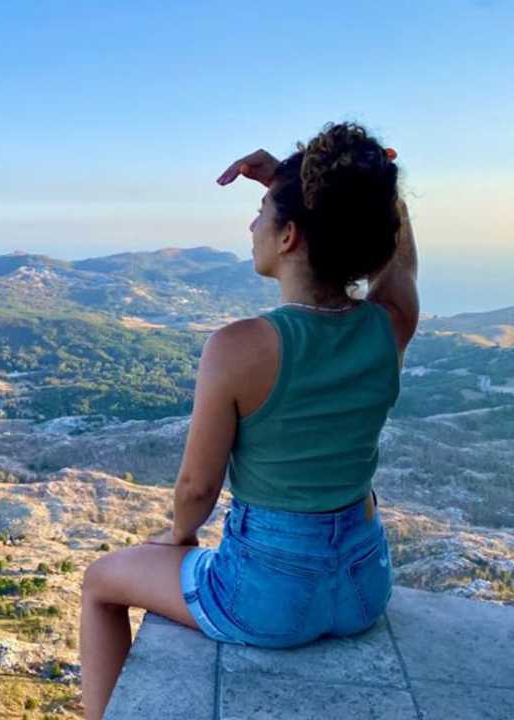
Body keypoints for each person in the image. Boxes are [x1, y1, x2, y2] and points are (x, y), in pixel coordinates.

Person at [79, 120, 419, 720]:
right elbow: (401, 264)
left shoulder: (237, 347)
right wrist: (358, 188)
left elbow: (197, 487)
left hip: (267, 599)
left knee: (100, 582)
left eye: (262, 213)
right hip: (364, 588)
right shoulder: (388, 326)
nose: (252, 225)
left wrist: (178, 537)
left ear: (289, 236)